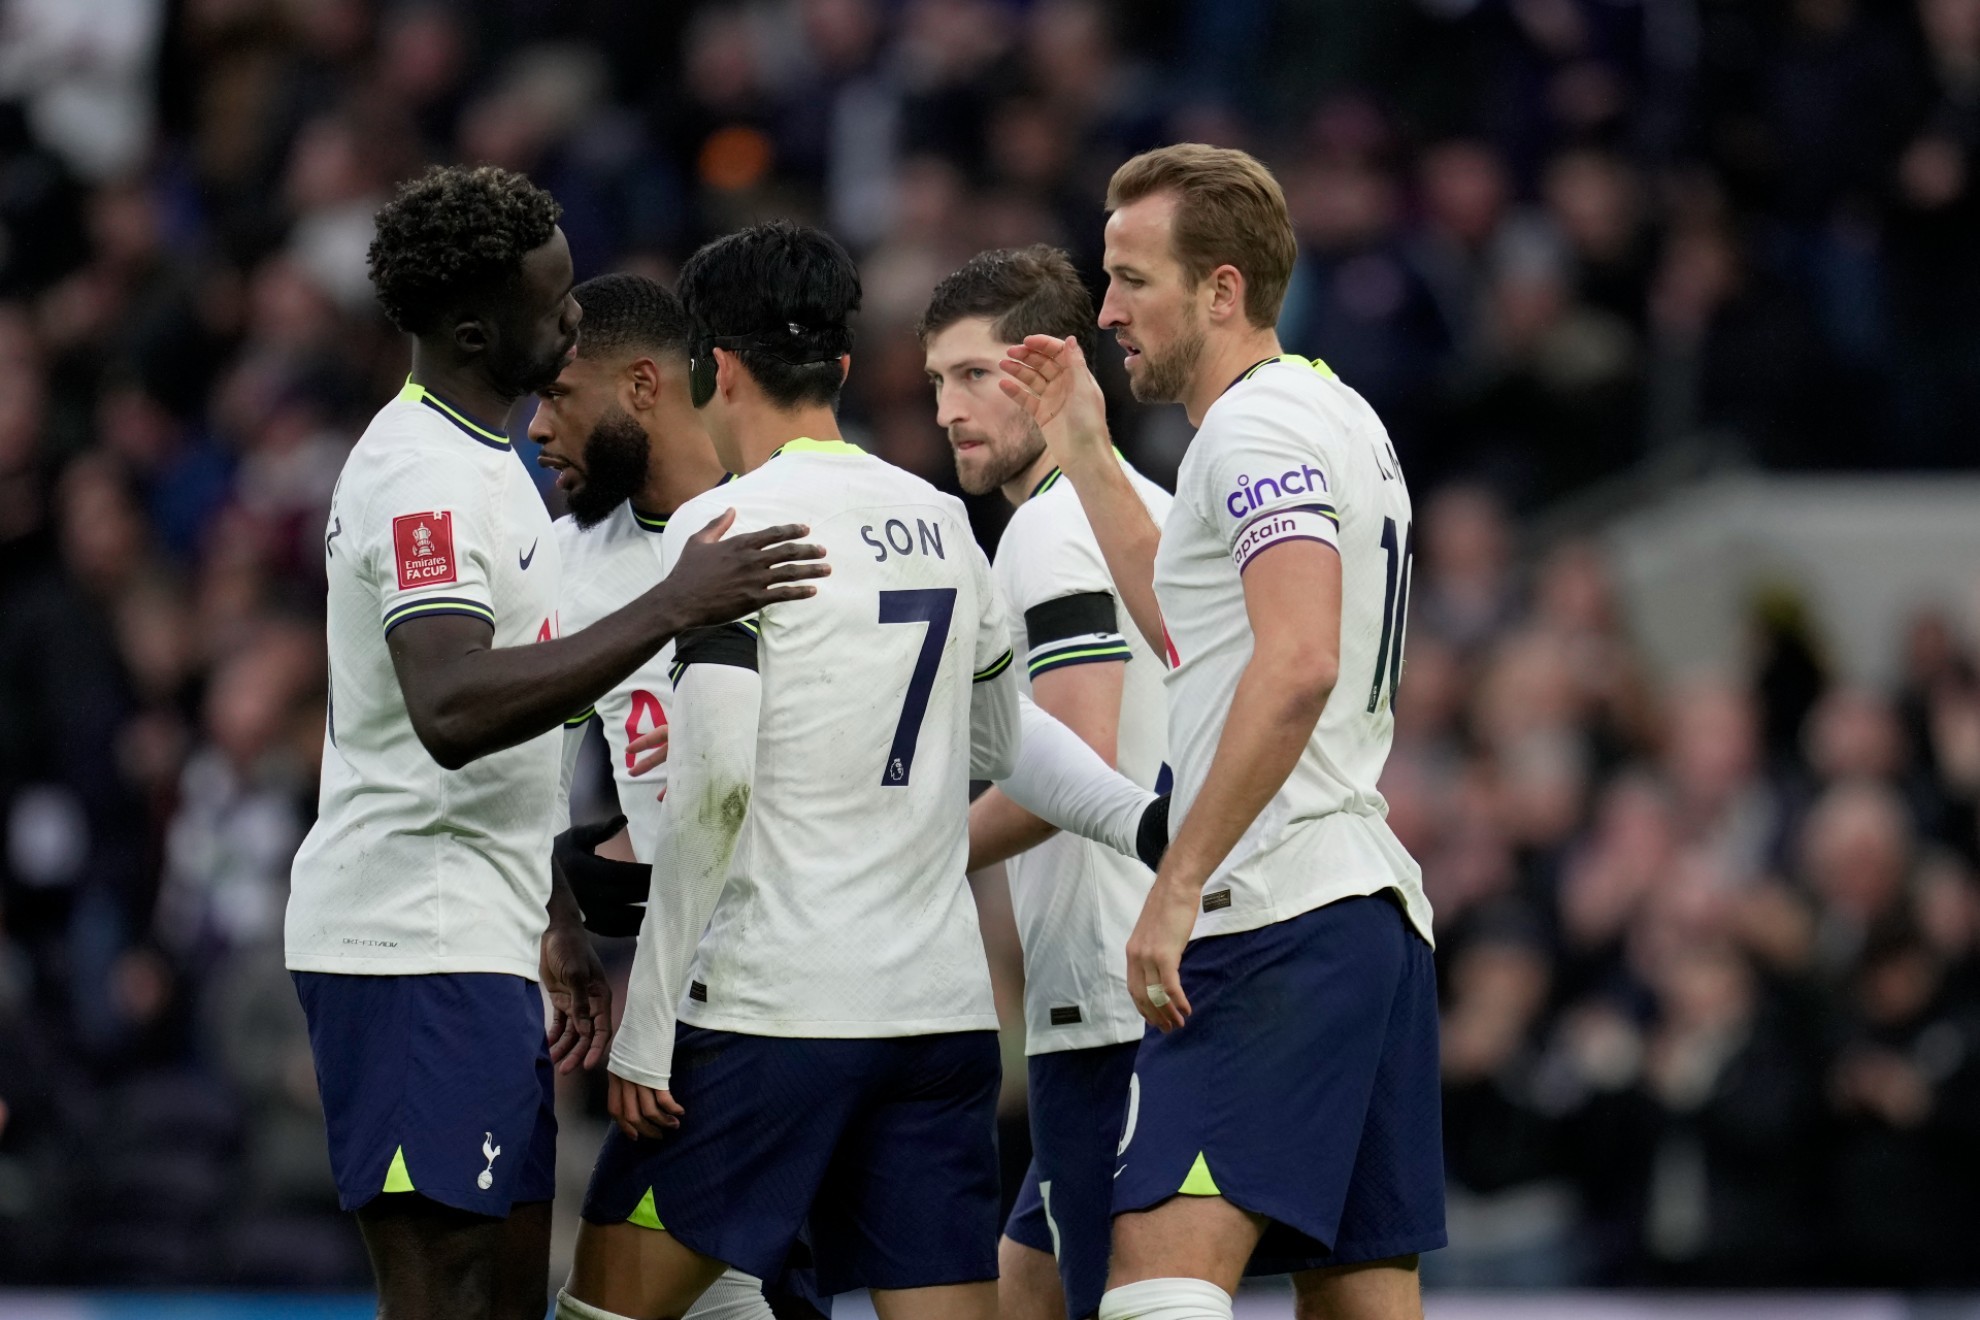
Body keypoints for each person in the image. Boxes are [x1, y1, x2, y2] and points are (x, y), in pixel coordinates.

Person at [284, 166, 828, 1320]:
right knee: (451, 1296)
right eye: (556, 297)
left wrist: (556, 918)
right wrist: (670, 605)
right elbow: (453, 707)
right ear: (479, 331)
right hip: (408, 943)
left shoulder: (487, 462)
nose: (574, 311)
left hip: (476, 942)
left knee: (511, 1296)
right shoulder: (420, 478)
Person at [998, 144, 1445, 1320]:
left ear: (1223, 289)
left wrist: (1178, 878)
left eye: (1132, 280)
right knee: (1361, 1292)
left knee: (1154, 1282)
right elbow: (1200, 632)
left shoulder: (1252, 432)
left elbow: (1297, 662)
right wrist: (1087, 452)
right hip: (1365, 915)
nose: (1105, 311)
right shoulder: (1332, 412)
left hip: (1272, 912)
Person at [555, 220, 1020, 1320]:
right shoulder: (943, 519)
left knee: (606, 1307)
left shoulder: (726, 526)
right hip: (939, 1014)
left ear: (712, 367)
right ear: (845, 369)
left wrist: (651, 1019)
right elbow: (1001, 746)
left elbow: (710, 796)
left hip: (774, 1013)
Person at [528, 270, 827, 1320]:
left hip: (820, 990)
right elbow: (514, 775)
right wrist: (561, 916)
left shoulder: (794, 525)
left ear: (642, 386)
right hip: (690, 1008)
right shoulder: (561, 566)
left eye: (559, 397)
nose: (536, 427)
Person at [920, 244, 1173, 1320]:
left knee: (1107, 1295)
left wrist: (904, 856)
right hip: (1155, 973)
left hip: (1108, 994)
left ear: (1047, 370)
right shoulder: (1138, 506)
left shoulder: (1050, 530)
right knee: (1018, 1291)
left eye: (977, 374)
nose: (947, 409)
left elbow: (1082, 759)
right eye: (936, 381)